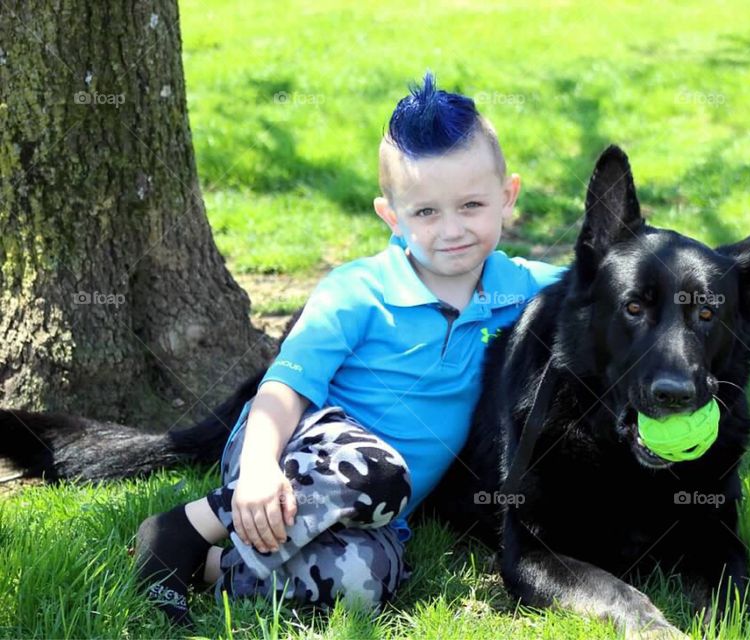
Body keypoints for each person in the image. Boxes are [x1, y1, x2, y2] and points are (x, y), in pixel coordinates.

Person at [133, 72, 566, 627]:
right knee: (379, 472)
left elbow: (604, 284)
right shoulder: (358, 291)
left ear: (508, 198)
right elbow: (283, 390)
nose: (452, 230)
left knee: (367, 580)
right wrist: (261, 469)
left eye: (472, 205)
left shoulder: (521, 287)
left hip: (379, 510)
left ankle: (210, 567)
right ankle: (185, 528)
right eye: (426, 213)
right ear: (391, 216)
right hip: (292, 451)